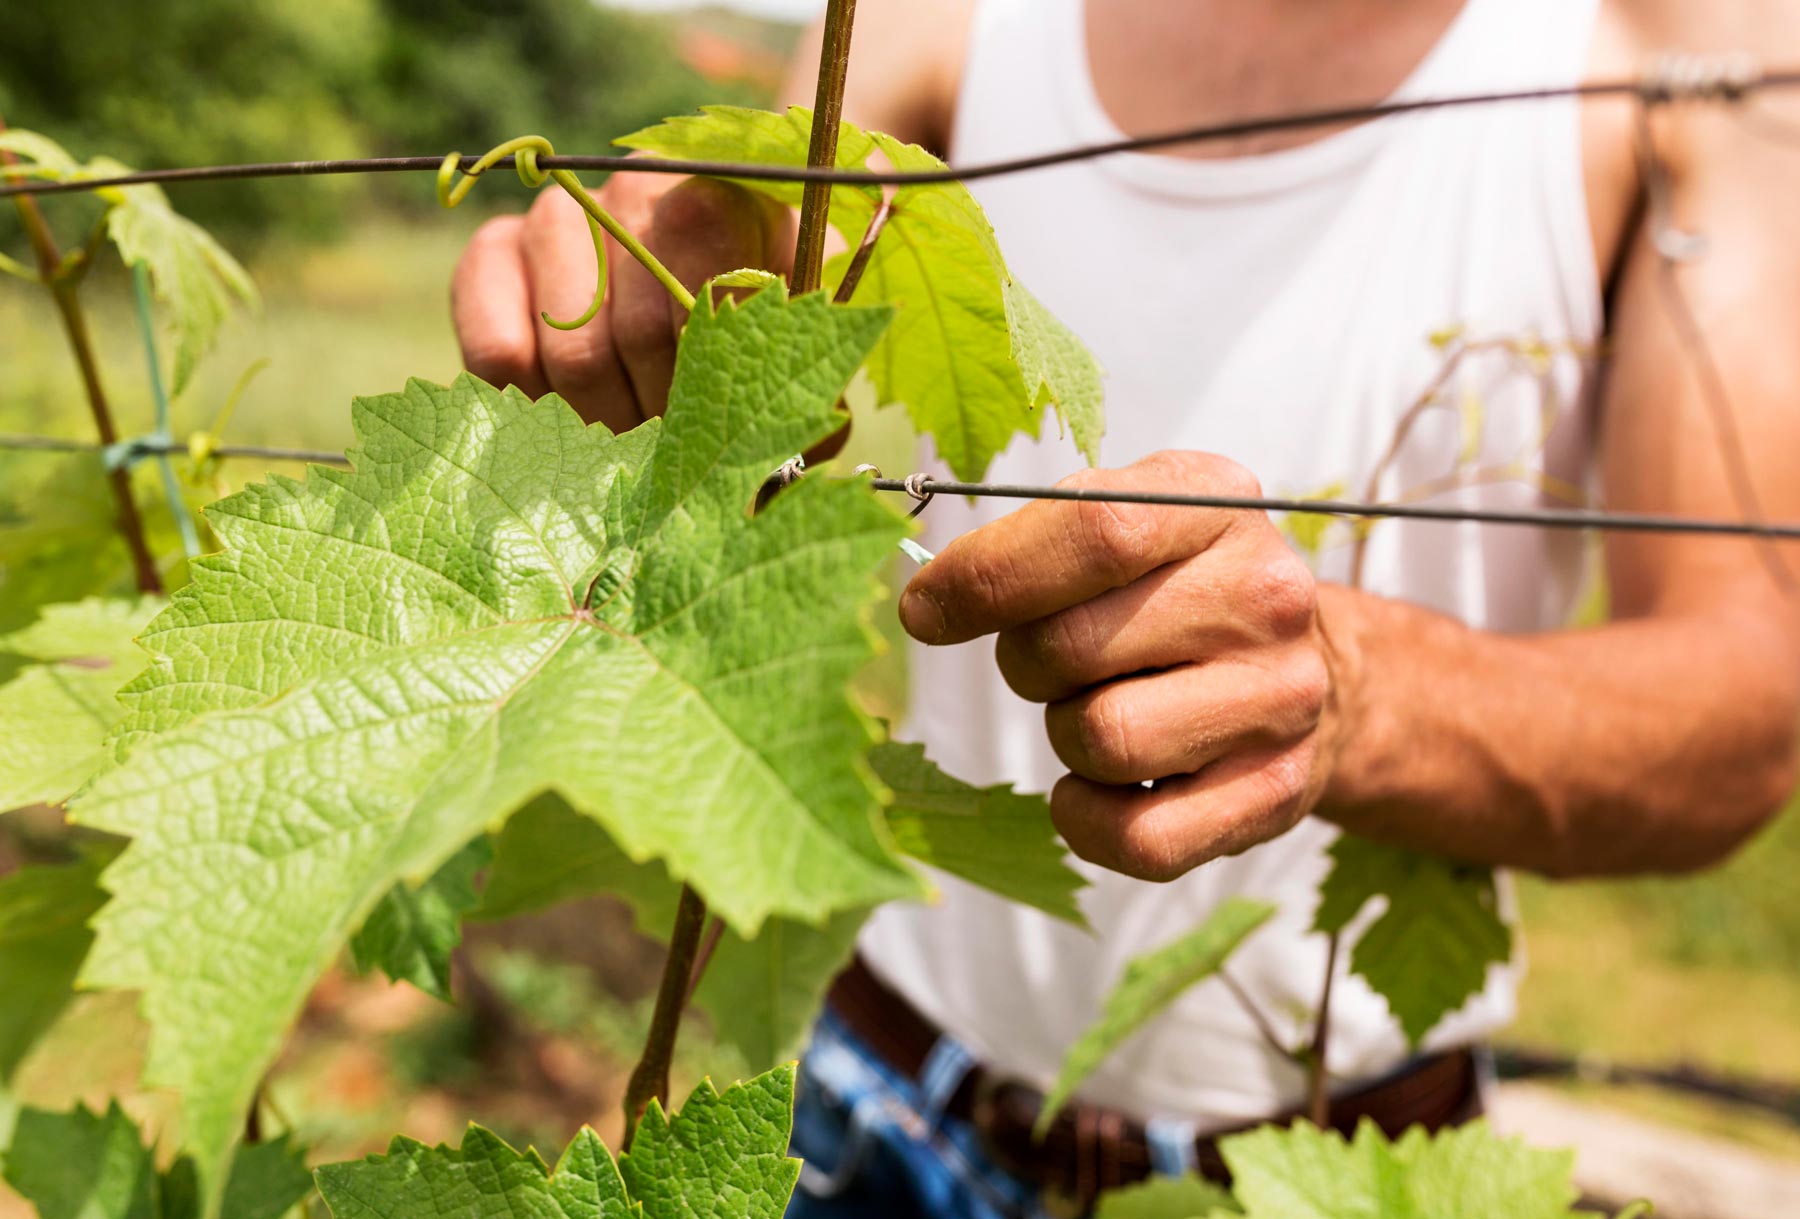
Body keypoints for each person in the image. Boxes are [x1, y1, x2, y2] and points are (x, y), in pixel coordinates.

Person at [451, 0, 1800, 1213]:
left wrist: (1356, 691)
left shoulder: (1689, 57)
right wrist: (652, 273)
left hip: (1337, 1166)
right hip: (880, 1105)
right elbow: (758, 287)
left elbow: (1753, 710)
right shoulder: (938, 17)